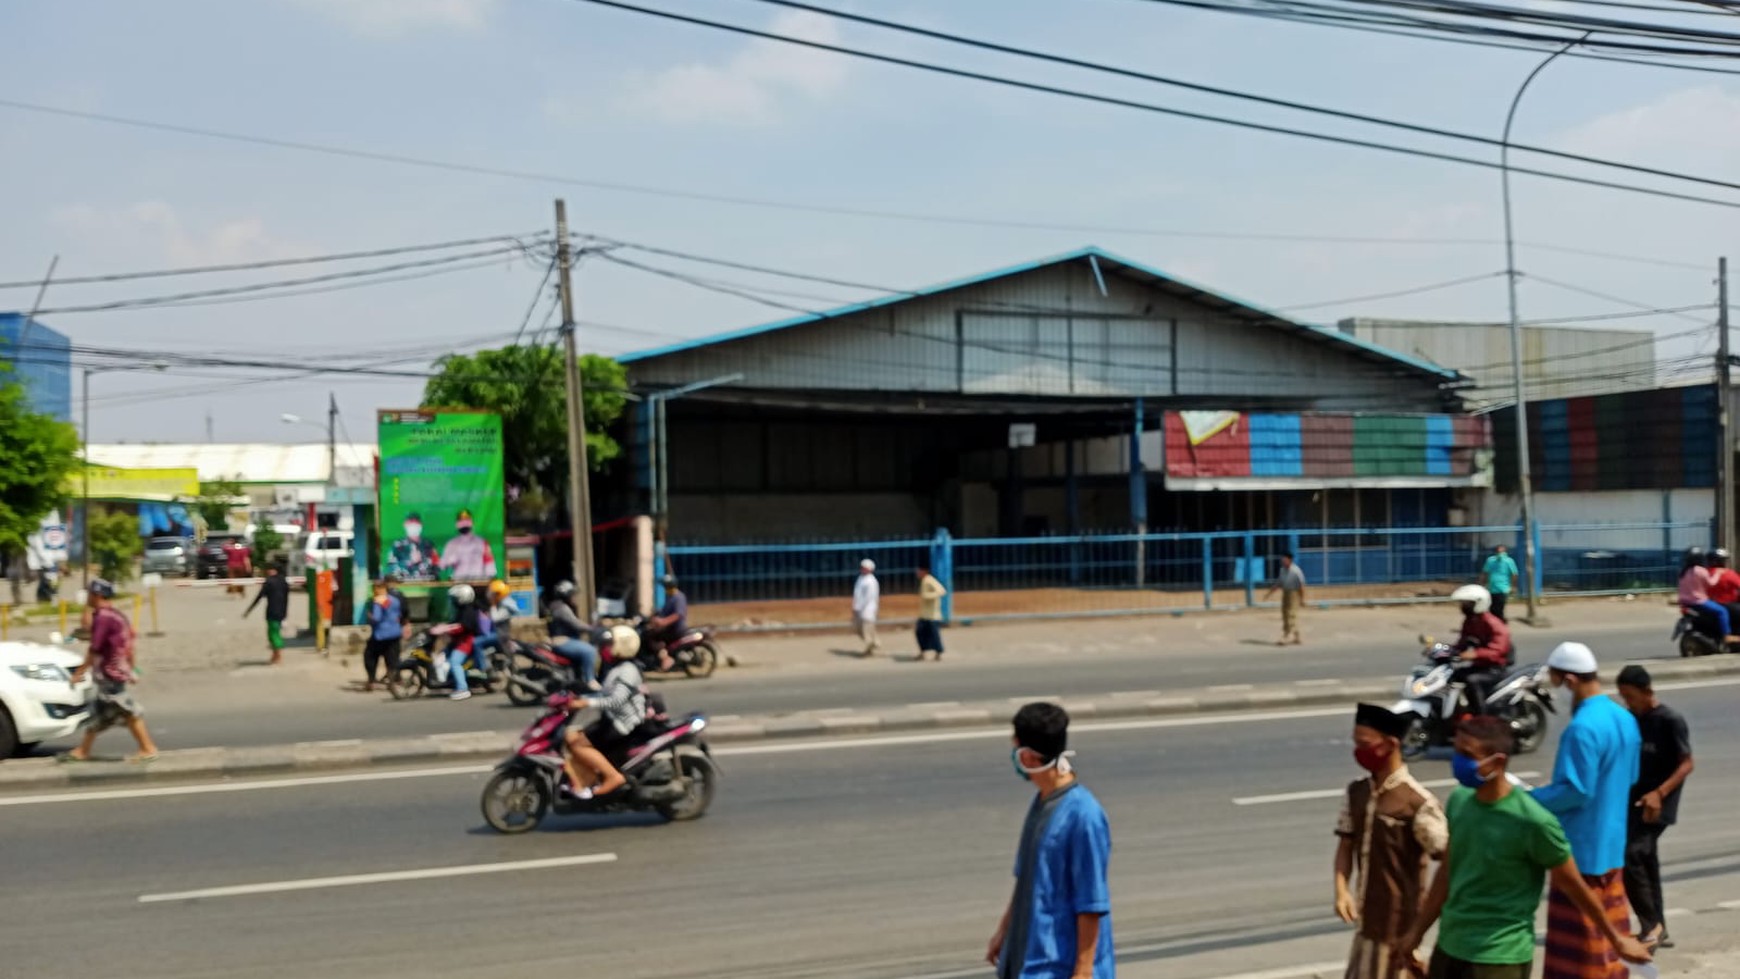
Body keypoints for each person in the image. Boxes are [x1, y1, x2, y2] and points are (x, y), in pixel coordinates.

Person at [1396, 716, 1651, 979]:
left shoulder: (1533, 821)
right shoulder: (1460, 801)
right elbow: (1447, 872)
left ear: (1498, 762)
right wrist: (1416, 932)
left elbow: (1575, 886)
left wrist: (1617, 940)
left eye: (1467, 754)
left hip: (1499, 958)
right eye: (1456, 751)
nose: (1457, 762)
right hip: (1450, 947)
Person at [1530, 642, 1644, 979]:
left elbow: (1576, 790)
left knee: (1580, 953)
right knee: (1609, 943)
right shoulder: (1624, 718)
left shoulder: (1582, 728)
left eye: (1555, 683)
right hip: (1611, 848)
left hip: (1580, 852)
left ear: (1569, 680)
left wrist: (1529, 800)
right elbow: (1632, 776)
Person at [986, 703, 1113, 979]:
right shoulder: (1041, 802)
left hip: (1058, 967)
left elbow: (1091, 902)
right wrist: (1003, 931)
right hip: (1026, 959)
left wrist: (1082, 971)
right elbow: (1027, 878)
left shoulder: (1083, 816)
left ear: (1028, 757)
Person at [1334, 704, 1448, 979]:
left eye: (1365, 744)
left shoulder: (1417, 803)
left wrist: (1420, 926)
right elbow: (1346, 845)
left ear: (1391, 744)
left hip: (1400, 928)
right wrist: (1342, 891)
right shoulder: (1357, 792)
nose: (1359, 751)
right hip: (1367, 925)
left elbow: (1449, 861)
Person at [1616, 665, 1694, 950]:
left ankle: (1651, 926)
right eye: (1623, 697)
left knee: (1632, 855)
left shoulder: (1670, 720)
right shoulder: (1632, 719)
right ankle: (1659, 926)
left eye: (1631, 696)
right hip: (1636, 797)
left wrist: (1659, 793)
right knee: (1646, 859)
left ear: (1648, 692)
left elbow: (1687, 763)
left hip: (1660, 798)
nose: (1628, 703)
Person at [62, 579, 159, 763]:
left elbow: (95, 648)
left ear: (97, 595)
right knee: (99, 712)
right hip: (116, 671)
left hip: (110, 673)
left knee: (128, 710)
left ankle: (148, 748)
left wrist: (79, 672)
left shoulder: (104, 618)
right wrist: (131, 668)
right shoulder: (116, 615)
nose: (87, 597)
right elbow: (130, 644)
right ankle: (83, 750)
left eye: (90, 594)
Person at [560, 625, 647, 800]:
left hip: (623, 725)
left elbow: (616, 701)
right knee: (570, 737)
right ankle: (584, 779)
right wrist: (578, 693)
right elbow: (603, 693)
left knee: (579, 744)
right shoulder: (615, 668)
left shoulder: (628, 670)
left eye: (608, 645)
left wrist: (586, 702)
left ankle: (613, 777)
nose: (603, 650)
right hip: (612, 720)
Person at [1449, 584, 1510, 717]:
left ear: (1479, 603)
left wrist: (1474, 654)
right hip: (1479, 666)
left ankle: (1482, 717)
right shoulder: (1469, 621)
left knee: (1472, 680)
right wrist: (1441, 650)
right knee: (1450, 675)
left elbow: (1498, 650)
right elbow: (1461, 645)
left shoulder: (1494, 624)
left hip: (1495, 669)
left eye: (1467, 603)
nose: (1463, 606)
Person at [544, 580, 600, 690]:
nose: (575, 597)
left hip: (562, 640)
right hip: (562, 641)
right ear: (566, 595)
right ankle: (590, 680)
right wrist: (592, 628)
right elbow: (576, 624)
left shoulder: (555, 605)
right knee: (590, 651)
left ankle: (579, 680)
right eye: (573, 595)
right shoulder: (561, 609)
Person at [444, 582, 490, 701]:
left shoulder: (470, 611)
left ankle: (462, 688)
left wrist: (448, 629)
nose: (453, 601)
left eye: (455, 598)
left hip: (465, 642)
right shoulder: (462, 610)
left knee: (454, 662)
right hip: (459, 641)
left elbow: (464, 627)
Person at [1677, 546, 1735, 642]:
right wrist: (1718, 573)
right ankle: (1727, 635)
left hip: (1685, 602)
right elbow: (1711, 583)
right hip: (1698, 602)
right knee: (1722, 611)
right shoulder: (1700, 570)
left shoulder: (1683, 572)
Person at [243, 562, 291, 665]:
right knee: (276, 632)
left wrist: (249, 610)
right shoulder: (283, 581)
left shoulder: (269, 582)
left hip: (272, 611)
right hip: (281, 612)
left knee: (273, 634)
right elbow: (287, 598)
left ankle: (278, 655)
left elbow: (259, 597)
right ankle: (275, 655)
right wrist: (285, 612)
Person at [363, 580, 404, 691]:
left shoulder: (378, 601)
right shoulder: (395, 600)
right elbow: (399, 614)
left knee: (370, 656)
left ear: (378, 589)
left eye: (374, 589)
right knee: (392, 659)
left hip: (381, 635)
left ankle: (371, 681)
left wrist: (369, 616)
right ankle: (394, 681)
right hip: (395, 633)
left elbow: (377, 618)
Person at [644, 574, 687, 672]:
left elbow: (678, 615)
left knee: (652, 637)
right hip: (669, 627)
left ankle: (666, 658)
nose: (665, 588)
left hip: (676, 629)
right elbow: (663, 612)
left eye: (666, 586)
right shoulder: (670, 597)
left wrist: (664, 622)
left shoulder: (678, 597)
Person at [1263, 552, 1307, 646]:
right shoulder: (1282, 570)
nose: (1283, 561)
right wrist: (1269, 594)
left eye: (1285, 559)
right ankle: (1297, 635)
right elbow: (1279, 583)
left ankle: (1286, 636)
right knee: (1285, 614)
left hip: (1294, 594)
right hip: (1286, 593)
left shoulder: (1296, 571)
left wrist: (1302, 599)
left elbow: (1301, 586)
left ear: (1290, 560)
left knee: (1291, 614)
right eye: (1283, 559)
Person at [439, 508, 496, 580]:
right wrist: (449, 560)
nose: (464, 523)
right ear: (456, 524)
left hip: (478, 581)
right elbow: (441, 565)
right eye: (461, 521)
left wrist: (489, 580)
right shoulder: (451, 544)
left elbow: (490, 566)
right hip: (458, 582)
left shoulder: (482, 542)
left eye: (466, 520)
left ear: (472, 522)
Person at [386, 512, 438, 581]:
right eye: (410, 523)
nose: (413, 526)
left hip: (426, 586)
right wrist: (410, 562)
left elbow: (437, 566)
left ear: (421, 525)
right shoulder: (397, 545)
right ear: (405, 525)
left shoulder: (429, 545)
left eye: (416, 523)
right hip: (405, 587)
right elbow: (391, 568)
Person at [914, 565, 948, 662]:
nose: (917, 572)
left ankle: (938, 653)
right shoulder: (924, 581)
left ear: (924, 571)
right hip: (924, 614)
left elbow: (942, 591)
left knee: (934, 634)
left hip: (933, 615)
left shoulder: (930, 580)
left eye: (918, 570)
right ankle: (923, 652)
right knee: (920, 632)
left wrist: (928, 596)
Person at [1481, 544, 1520, 623]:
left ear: (1505, 552)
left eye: (1502, 552)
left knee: (1500, 607)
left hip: (1503, 588)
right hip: (1492, 588)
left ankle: (1500, 623)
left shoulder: (1509, 561)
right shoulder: (1490, 560)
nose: (1500, 554)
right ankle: (1495, 623)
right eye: (1498, 551)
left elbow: (1514, 574)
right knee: (1492, 607)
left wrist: (1513, 586)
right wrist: (1483, 584)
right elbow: (1485, 572)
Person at [853, 558, 881, 657]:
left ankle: (869, 649)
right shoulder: (861, 578)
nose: (862, 569)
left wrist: (860, 607)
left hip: (867, 609)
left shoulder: (871, 581)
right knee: (859, 628)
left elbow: (869, 597)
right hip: (859, 608)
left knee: (867, 629)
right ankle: (875, 643)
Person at [1705, 548, 1740, 625]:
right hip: (1726, 604)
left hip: (1709, 603)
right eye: (1724, 560)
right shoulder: (1728, 573)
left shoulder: (1705, 572)